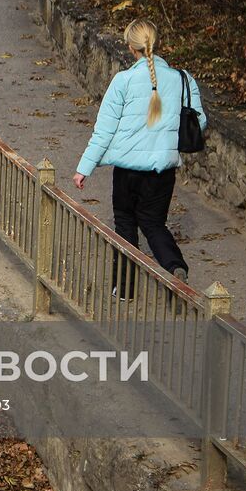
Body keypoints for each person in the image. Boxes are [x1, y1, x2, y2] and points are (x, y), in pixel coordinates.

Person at [72, 18, 206, 298]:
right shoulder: (183, 79)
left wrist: (85, 168)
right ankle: (174, 266)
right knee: (154, 224)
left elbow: (104, 130)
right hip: (163, 171)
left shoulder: (123, 81)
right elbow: (199, 122)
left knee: (125, 225)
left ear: (131, 48)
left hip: (127, 170)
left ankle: (124, 288)